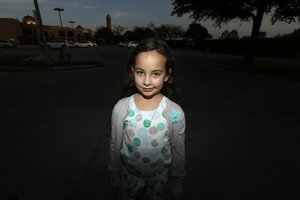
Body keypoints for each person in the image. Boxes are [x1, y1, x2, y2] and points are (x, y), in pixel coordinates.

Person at [108, 37, 186, 200]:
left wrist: (176, 183)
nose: (147, 81)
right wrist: (114, 175)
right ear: (132, 71)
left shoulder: (175, 112)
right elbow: (115, 144)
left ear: (167, 75)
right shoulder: (122, 108)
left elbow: (177, 151)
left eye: (155, 74)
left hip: (160, 180)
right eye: (140, 72)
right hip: (128, 178)